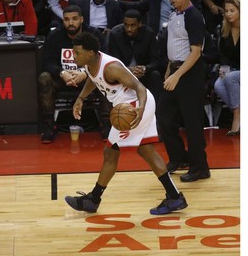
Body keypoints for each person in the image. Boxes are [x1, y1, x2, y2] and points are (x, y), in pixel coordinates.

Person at [64, 31, 188, 215]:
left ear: (90, 52)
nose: (74, 56)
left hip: (135, 106)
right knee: (146, 150)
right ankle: (174, 197)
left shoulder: (111, 67)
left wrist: (140, 109)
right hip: (132, 106)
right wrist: (81, 98)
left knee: (110, 153)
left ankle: (93, 199)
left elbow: (140, 87)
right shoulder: (91, 64)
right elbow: (93, 79)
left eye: (77, 53)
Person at [156, 0, 210, 182]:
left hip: (190, 73)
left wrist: (177, 75)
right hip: (175, 70)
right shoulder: (173, 14)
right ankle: (179, 158)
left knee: (192, 122)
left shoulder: (194, 16)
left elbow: (196, 52)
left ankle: (200, 167)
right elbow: (174, 46)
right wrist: (169, 71)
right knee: (164, 118)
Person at [38, 5, 111, 143]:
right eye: (66, 19)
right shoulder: (55, 36)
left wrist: (85, 72)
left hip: (88, 78)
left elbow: (104, 59)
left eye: (74, 19)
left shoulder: (93, 35)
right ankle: (49, 126)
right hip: (64, 79)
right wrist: (62, 73)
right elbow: (47, 62)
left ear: (82, 19)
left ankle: (106, 124)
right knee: (44, 78)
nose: (70, 23)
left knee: (105, 76)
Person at [108, 9, 163, 104]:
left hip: (143, 73)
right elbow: (113, 61)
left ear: (139, 24)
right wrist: (129, 70)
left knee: (155, 75)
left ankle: (155, 109)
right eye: (126, 25)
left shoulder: (149, 34)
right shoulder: (115, 35)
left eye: (132, 25)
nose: (129, 29)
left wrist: (145, 68)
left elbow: (156, 60)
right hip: (122, 73)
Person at [214, 0, 240, 136]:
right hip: (233, 69)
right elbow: (222, 53)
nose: (229, 14)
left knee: (231, 78)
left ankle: (236, 118)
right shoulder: (223, 29)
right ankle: (241, 113)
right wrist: (224, 69)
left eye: (232, 10)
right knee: (218, 85)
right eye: (226, 11)